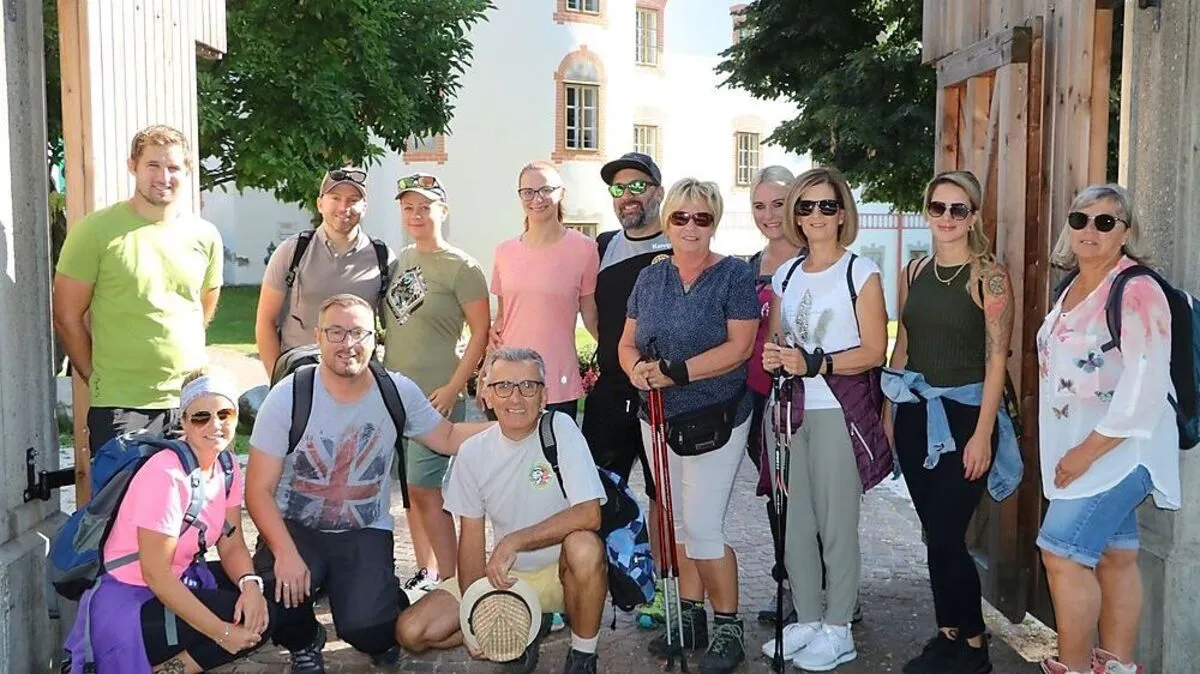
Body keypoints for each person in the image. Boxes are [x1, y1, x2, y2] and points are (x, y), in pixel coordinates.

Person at [245, 294, 492, 673]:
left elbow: (447, 437)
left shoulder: (396, 391)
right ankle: (304, 640)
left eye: (358, 332)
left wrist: (512, 428)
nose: (348, 343)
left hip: (363, 530)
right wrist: (284, 552)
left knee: (370, 629)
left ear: (375, 339)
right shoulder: (289, 396)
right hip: (296, 528)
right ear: (318, 337)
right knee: (279, 593)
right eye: (336, 332)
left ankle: (378, 604)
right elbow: (258, 490)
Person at [1035, 185, 1179, 674]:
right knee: (1116, 557)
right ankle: (1117, 667)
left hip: (1122, 448)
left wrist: (1086, 452)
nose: (1090, 230)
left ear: (1126, 232)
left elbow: (1145, 385)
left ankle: (1073, 668)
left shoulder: (1137, 288)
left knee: (1060, 554)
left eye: (1105, 221)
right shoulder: (1071, 285)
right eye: (1080, 220)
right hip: (1087, 448)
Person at [618, 177, 760, 673]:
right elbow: (627, 341)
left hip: (715, 418)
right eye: (681, 217)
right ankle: (692, 616)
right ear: (668, 221)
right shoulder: (650, 278)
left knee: (702, 525)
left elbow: (739, 348)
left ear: (714, 222)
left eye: (702, 217)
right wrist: (636, 369)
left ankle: (727, 626)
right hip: (656, 416)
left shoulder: (734, 276)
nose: (691, 226)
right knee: (676, 521)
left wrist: (677, 372)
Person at [396, 347, 609, 674]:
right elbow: (470, 542)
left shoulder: (560, 429)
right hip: (504, 577)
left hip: (562, 573)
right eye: (503, 386)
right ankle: (528, 623)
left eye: (529, 386)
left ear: (544, 396)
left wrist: (513, 542)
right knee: (411, 632)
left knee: (585, 546)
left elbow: (589, 514)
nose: (516, 397)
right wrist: (473, 618)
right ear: (486, 395)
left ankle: (583, 655)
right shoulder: (472, 454)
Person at [883, 170, 1019, 674]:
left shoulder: (991, 276)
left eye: (958, 209)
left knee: (947, 534)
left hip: (965, 417)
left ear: (974, 216)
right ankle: (948, 634)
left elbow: (997, 359)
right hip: (916, 412)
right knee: (932, 532)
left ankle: (976, 646)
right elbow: (905, 343)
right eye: (938, 208)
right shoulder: (914, 271)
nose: (947, 218)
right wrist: (889, 410)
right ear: (926, 212)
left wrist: (984, 434)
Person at [758, 167, 889, 671]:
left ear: (842, 214)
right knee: (795, 522)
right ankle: (808, 618)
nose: (815, 215)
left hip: (836, 410)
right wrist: (778, 356)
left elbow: (875, 350)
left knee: (837, 523)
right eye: (805, 206)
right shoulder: (786, 274)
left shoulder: (861, 273)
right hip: (790, 411)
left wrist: (818, 363)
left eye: (826, 206)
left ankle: (838, 627)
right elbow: (777, 339)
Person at [63, 368, 271, 673]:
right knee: (235, 617)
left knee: (267, 601)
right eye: (202, 417)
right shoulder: (166, 474)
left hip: (179, 579)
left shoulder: (226, 465)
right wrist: (221, 633)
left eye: (225, 414)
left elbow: (231, 542)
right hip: (129, 602)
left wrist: (251, 587)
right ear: (184, 421)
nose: (216, 425)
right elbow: (156, 575)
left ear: (237, 417)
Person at [53, 125, 222, 455]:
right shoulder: (95, 231)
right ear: (133, 166)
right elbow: (66, 317)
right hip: (120, 405)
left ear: (186, 170)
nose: (164, 176)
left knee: (186, 504)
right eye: (153, 165)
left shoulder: (205, 235)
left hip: (189, 401)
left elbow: (202, 307)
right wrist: (95, 377)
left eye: (173, 167)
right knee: (123, 505)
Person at [384, 173, 491, 598]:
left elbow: (481, 333)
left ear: (442, 211)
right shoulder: (398, 262)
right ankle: (426, 573)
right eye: (408, 207)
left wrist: (453, 388)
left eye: (425, 206)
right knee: (412, 493)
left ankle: (453, 581)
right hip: (394, 395)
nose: (416, 214)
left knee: (427, 489)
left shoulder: (462, 267)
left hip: (435, 397)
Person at [584, 151, 672, 628]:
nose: (628, 197)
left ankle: (661, 587)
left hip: (662, 392)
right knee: (594, 491)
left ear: (658, 190)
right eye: (618, 189)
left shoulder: (678, 243)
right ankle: (594, 582)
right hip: (611, 390)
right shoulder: (601, 247)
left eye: (637, 186)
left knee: (663, 496)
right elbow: (593, 318)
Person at [255, 167, 397, 379]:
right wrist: (277, 380)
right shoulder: (292, 251)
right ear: (320, 203)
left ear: (365, 207)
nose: (344, 207)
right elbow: (265, 321)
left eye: (353, 199)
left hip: (358, 379)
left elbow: (395, 328)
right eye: (335, 198)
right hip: (300, 376)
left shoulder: (383, 258)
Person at [488, 160, 599, 418]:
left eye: (545, 190)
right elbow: (504, 319)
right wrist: (487, 372)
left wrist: (619, 356)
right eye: (528, 192)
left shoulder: (584, 249)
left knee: (553, 458)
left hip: (557, 381)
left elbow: (591, 316)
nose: (537, 199)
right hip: (508, 380)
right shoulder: (504, 252)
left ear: (561, 193)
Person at [742, 165, 800, 625]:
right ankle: (791, 585)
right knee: (775, 495)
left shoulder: (817, 259)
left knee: (808, 496)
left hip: (806, 397)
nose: (769, 214)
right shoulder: (747, 268)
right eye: (759, 206)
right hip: (759, 398)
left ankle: (826, 592)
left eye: (778, 204)